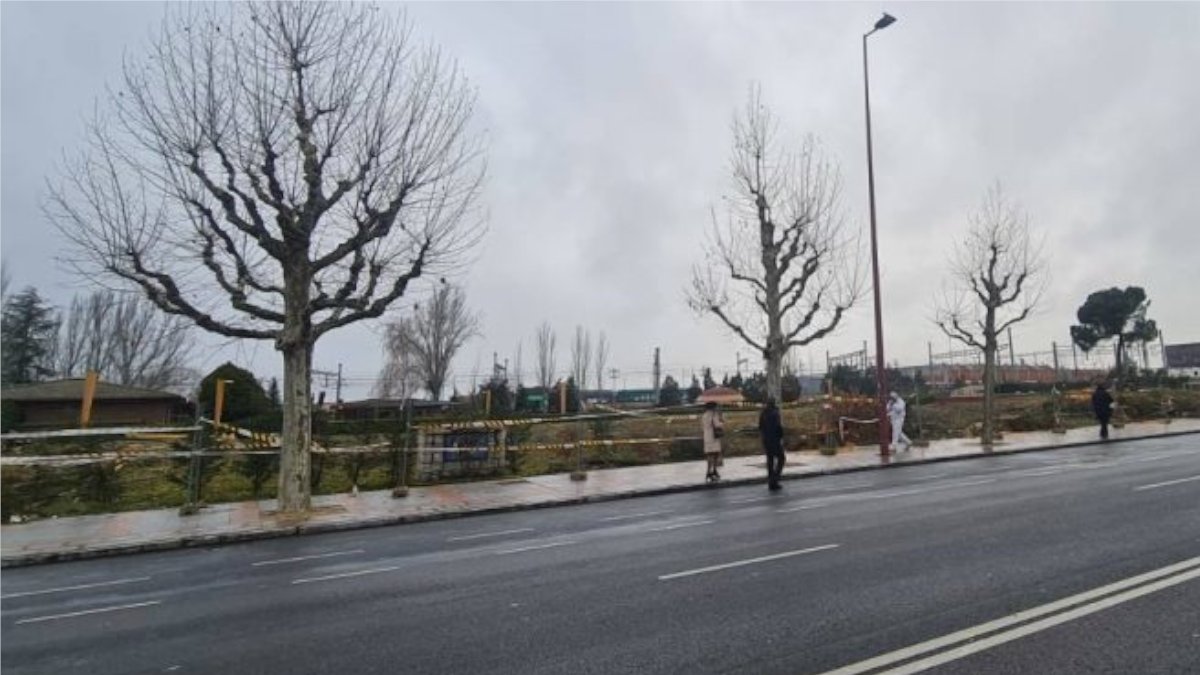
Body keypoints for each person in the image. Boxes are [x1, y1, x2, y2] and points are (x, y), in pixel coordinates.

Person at [758, 398, 785, 490]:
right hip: (775, 440)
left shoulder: (763, 413)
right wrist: (781, 436)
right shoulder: (775, 413)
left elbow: (760, 427)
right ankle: (775, 479)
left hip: (766, 440)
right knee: (781, 458)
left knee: (770, 461)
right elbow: (778, 427)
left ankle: (771, 480)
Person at [701, 401, 725, 483]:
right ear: (713, 407)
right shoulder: (714, 414)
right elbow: (717, 425)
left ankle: (708, 471)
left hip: (707, 437)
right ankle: (714, 470)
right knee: (715, 454)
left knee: (709, 455)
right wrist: (722, 421)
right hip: (714, 437)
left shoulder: (704, 415)